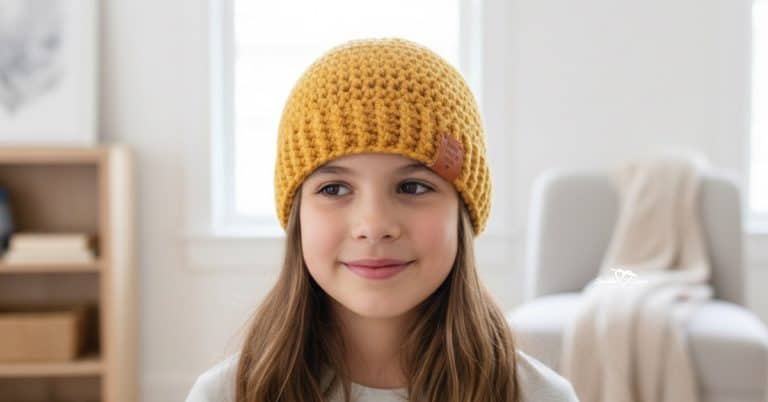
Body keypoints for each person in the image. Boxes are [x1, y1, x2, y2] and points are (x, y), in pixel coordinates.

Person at [186, 37, 579, 402]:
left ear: (463, 211)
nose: (373, 225)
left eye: (413, 187)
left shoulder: (540, 396)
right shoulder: (226, 394)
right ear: (297, 216)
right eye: (334, 189)